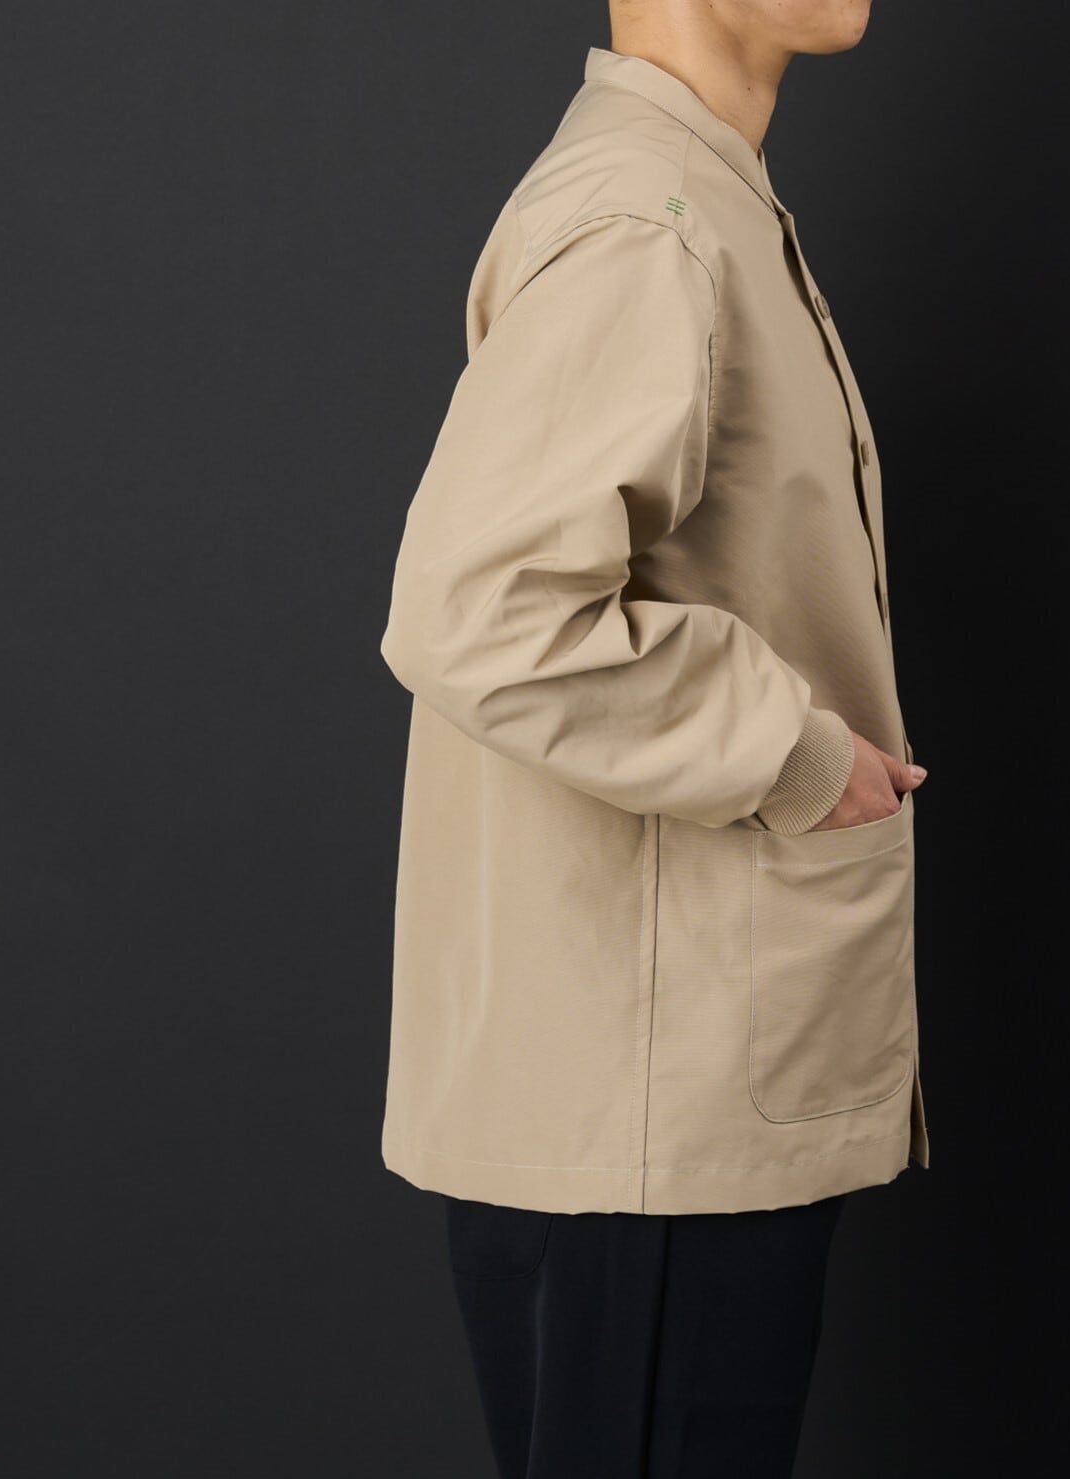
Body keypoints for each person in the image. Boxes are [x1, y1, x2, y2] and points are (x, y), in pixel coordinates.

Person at [377, 3, 929, 1473]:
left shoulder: (697, 198)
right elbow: (481, 610)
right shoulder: (649, 218)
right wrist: (797, 756)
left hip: (657, 1088)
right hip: (645, 1118)